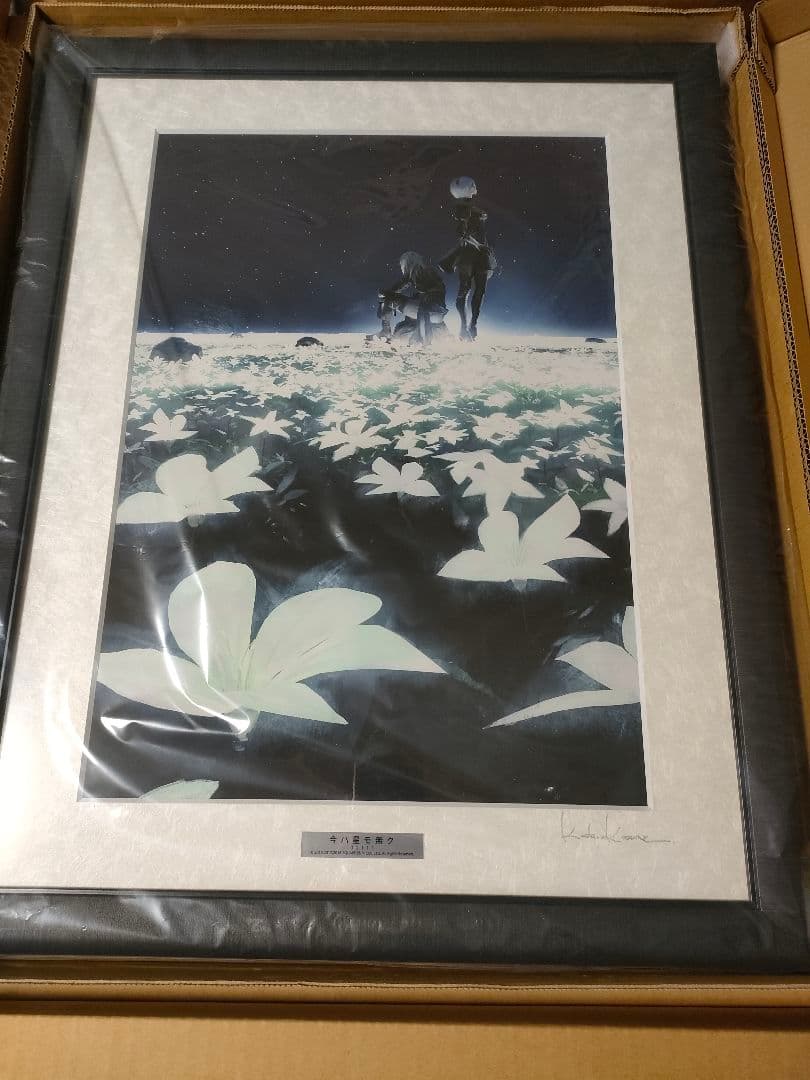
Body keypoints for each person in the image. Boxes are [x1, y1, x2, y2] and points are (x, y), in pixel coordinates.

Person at [438, 176, 496, 341]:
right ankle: (468, 326)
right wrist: (479, 246)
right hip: (473, 255)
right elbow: (461, 233)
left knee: (469, 291)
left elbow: (467, 232)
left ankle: (469, 326)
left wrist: (481, 246)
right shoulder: (464, 208)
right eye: (472, 185)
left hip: (475, 254)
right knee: (470, 291)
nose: (475, 187)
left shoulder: (467, 207)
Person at [377, 251, 448, 345]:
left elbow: (398, 287)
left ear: (407, 263)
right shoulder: (426, 273)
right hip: (438, 314)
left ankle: (385, 331)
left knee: (389, 299)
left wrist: (384, 294)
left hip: (429, 310)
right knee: (401, 326)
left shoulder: (416, 271)